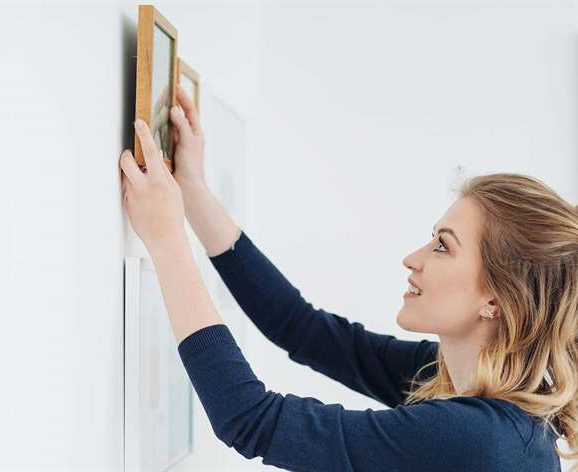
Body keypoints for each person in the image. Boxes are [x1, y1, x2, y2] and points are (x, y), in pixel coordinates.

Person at [119, 84, 578, 471]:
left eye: (443, 246)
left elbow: (250, 419)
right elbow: (301, 328)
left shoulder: (483, 439)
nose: (413, 258)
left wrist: (166, 242)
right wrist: (193, 192)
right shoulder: (465, 389)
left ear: (496, 300)